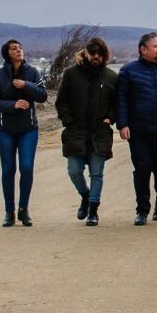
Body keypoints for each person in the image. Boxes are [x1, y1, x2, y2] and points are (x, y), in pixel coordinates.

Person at [116, 31, 157, 226]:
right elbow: (121, 99)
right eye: (155, 47)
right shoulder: (128, 71)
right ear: (143, 49)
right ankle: (142, 210)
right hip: (138, 131)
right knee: (142, 169)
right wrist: (123, 124)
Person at [54, 36, 116, 227]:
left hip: (100, 131)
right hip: (76, 131)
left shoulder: (111, 77)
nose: (95, 56)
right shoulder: (71, 74)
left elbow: (118, 103)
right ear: (86, 53)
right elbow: (61, 101)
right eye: (92, 53)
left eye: (99, 53)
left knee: (97, 172)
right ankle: (85, 195)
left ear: (104, 55)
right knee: (74, 171)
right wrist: (69, 121)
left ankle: (93, 211)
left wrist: (110, 119)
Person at [0, 39, 47, 227]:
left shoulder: (32, 72)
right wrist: (12, 105)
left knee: (27, 167)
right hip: (5, 130)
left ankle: (24, 210)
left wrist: (26, 86)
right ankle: (9, 212)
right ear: (7, 53)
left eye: (20, 48)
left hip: (28, 129)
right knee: (9, 169)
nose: (19, 50)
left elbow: (43, 95)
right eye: (14, 49)